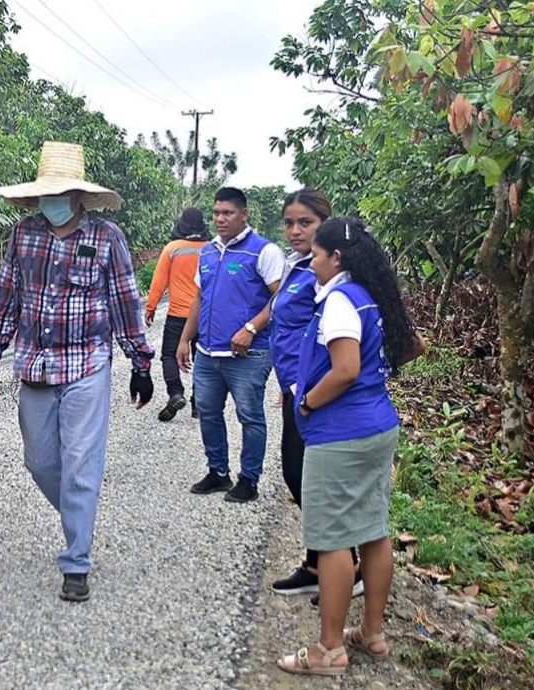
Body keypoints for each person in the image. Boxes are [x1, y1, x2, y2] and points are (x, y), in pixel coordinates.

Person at [0, 141, 154, 603]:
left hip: (87, 364)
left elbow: (124, 301)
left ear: (79, 196)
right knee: (39, 461)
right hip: (35, 364)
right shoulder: (23, 235)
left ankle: (76, 561)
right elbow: (7, 294)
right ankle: (81, 516)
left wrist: (140, 363)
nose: (51, 201)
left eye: (60, 193)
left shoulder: (107, 238)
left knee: (79, 464)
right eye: (46, 193)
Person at [277, 217, 424, 676]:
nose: (311, 263)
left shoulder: (340, 301)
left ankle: (328, 650)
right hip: (378, 425)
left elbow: (344, 370)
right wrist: (373, 381)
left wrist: (307, 403)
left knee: (332, 541)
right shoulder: (371, 295)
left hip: (340, 434)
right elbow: (414, 345)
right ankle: (372, 633)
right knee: (372, 530)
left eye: (316, 255)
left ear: (336, 257)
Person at [267, 190, 362, 602]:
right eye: (289, 222)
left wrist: (311, 391)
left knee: (309, 477)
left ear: (325, 224)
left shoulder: (329, 275)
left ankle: (348, 566)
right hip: (295, 386)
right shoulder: (298, 266)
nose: (295, 231)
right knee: (298, 474)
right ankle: (316, 565)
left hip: (317, 393)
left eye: (305, 223)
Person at [176, 187, 285, 503]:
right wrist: (184, 339)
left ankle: (249, 479)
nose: (220, 219)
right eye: (216, 213)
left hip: (248, 354)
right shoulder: (208, 251)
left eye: (228, 213)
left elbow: (282, 298)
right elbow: (199, 297)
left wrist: (251, 328)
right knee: (208, 412)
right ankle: (218, 472)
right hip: (208, 353)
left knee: (250, 416)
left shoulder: (264, 251)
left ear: (244, 214)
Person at [145, 207, 208, 422]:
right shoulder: (211, 248)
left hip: (178, 314)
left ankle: (175, 393)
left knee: (169, 355)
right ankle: (198, 403)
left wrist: (151, 307)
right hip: (204, 314)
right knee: (202, 357)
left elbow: (159, 281)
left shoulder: (172, 248)